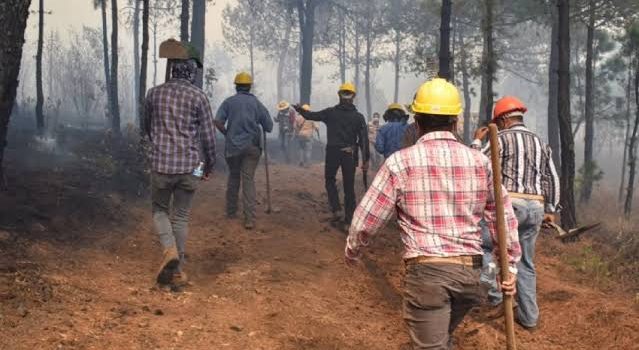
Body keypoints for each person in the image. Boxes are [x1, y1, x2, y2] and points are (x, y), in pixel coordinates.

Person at [345, 78, 521, 349]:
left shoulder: (400, 162)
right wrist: (507, 268)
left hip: (428, 276)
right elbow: (503, 218)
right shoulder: (480, 161)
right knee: (440, 338)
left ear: (417, 122)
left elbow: (366, 220)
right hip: (470, 277)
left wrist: (353, 251)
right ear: (455, 122)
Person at [472, 96, 560, 330]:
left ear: (502, 119)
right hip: (536, 207)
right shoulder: (541, 142)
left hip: (508, 205)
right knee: (526, 263)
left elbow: (478, 165)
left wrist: (476, 143)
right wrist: (551, 209)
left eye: (498, 122)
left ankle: (497, 299)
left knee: (488, 248)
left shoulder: (499, 138)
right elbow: (552, 177)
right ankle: (529, 317)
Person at [145, 51, 216, 287]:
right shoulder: (199, 97)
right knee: (182, 215)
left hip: (161, 165)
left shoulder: (154, 94)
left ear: (173, 70)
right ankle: (177, 269)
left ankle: (169, 251)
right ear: (192, 74)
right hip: (192, 167)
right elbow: (208, 138)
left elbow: (147, 125)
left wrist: (158, 142)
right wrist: (209, 165)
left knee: (159, 211)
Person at [294, 83, 369, 230]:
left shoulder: (330, 113)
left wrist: (299, 109)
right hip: (349, 153)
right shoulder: (359, 118)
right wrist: (365, 160)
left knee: (329, 180)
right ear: (353, 97)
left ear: (339, 95)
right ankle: (348, 222)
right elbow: (364, 141)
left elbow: (311, 115)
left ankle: (336, 210)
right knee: (349, 188)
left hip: (333, 152)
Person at [215, 72, 273, 230]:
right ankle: (249, 219)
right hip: (252, 147)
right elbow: (269, 126)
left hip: (233, 147)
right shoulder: (256, 103)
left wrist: (228, 134)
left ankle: (231, 211)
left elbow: (218, 121)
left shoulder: (228, 102)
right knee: (248, 180)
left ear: (236, 86)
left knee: (234, 177)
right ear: (249, 86)